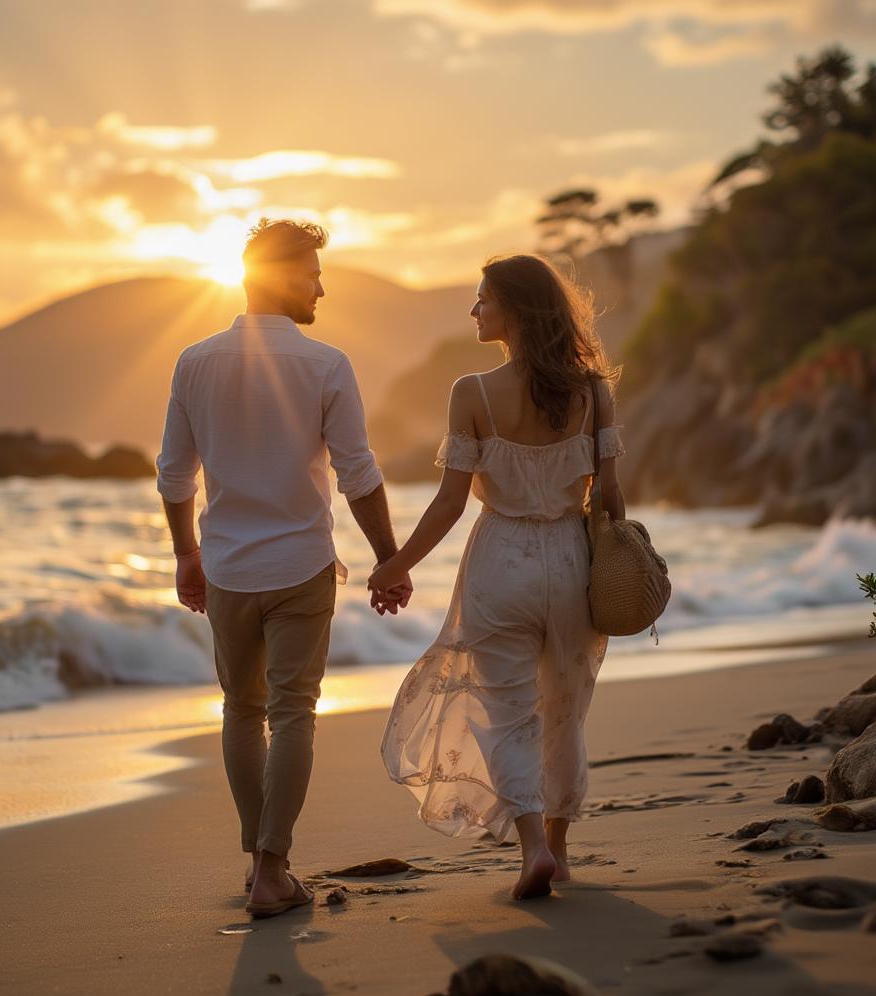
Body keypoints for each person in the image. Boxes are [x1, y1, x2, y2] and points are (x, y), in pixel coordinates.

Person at [155, 218, 411, 918]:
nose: (322, 288)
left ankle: (260, 864)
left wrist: (187, 553)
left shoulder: (193, 361)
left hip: (230, 567)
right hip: (299, 564)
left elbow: (175, 477)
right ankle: (272, 869)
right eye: (311, 274)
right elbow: (358, 475)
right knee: (293, 711)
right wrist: (388, 557)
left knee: (243, 711)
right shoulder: (326, 365)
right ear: (275, 275)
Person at [368, 254, 625, 899]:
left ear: (514, 308)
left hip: (500, 562)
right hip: (571, 561)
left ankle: (533, 848)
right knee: (565, 709)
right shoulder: (593, 392)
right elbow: (612, 499)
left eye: (484, 299)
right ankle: (561, 855)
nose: (475, 310)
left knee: (506, 712)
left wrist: (398, 563)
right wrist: (616, 563)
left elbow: (452, 502)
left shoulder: (472, 393)